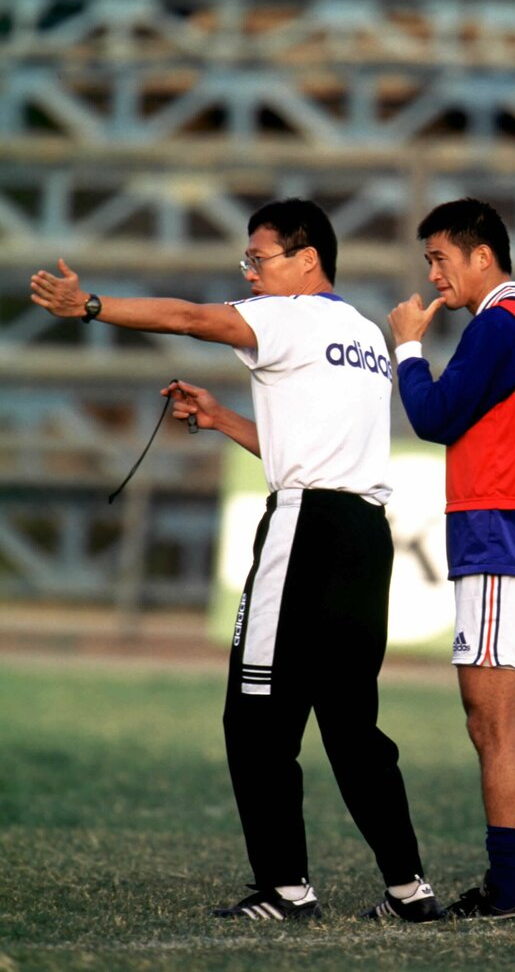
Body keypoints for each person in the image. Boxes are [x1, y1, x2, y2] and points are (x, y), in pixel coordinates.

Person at [30, 198, 443, 925]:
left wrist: (91, 304)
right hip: (363, 533)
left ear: (306, 258)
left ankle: (286, 889)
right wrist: (222, 419)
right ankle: (409, 889)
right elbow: (312, 448)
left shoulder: (287, 316)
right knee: (352, 723)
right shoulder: (364, 334)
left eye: (259, 258)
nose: (248, 273)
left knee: (254, 717)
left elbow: (192, 319)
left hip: (304, 528)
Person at [388, 198, 515, 920]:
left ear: (481, 257)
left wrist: (407, 346)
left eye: (439, 257)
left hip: (500, 537)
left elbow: (433, 418)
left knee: (491, 722)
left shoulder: (496, 325)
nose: (432, 274)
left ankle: (507, 888)